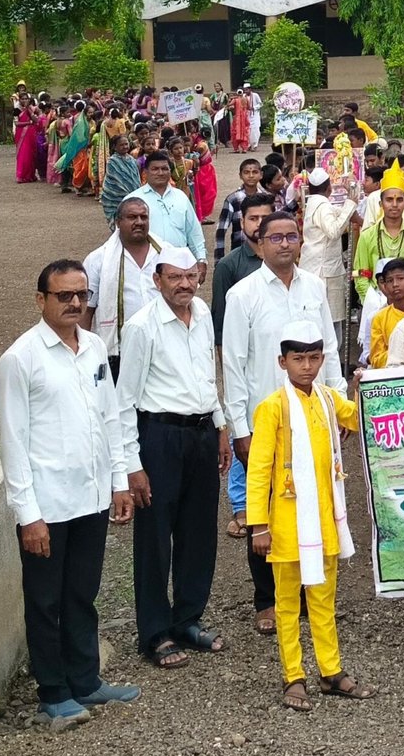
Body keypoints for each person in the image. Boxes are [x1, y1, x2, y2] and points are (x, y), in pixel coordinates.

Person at [0, 259, 139, 727]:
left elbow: (110, 418)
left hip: (92, 497)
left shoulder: (95, 347)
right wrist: (28, 514)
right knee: (45, 600)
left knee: (82, 592)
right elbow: (12, 443)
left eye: (81, 294)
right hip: (48, 504)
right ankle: (52, 691)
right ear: (41, 301)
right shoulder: (20, 359)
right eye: (64, 296)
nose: (75, 303)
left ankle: (85, 679)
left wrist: (119, 482)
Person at [222, 211, 343, 634]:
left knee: (315, 502)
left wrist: (338, 401)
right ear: (259, 243)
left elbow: (328, 347)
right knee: (268, 509)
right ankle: (267, 600)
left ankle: (314, 592)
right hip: (267, 420)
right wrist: (240, 427)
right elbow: (234, 365)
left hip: (314, 415)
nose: (286, 244)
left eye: (292, 236)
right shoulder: (243, 294)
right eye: (276, 238)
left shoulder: (313, 287)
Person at [246, 320, 375, 711]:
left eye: (314, 357)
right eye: (298, 358)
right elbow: (259, 470)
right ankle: (293, 675)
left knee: (323, 600)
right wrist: (259, 525)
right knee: (287, 603)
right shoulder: (272, 407)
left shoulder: (327, 399)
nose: (307, 366)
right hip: (285, 523)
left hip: (325, 519)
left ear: (322, 358)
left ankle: (331, 670)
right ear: (282, 361)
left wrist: (367, 385)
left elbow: (360, 417)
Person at [118, 246, 229, 669]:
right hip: (159, 435)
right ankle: (154, 631)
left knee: (199, 532)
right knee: (155, 537)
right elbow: (124, 400)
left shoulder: (201, 314)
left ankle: (187, 618)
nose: (184, 284)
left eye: (190, 276)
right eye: (174, 277)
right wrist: (133, 463)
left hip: (201, 433)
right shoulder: (142, 327)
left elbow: (207, 374)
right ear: (157, 280)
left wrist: (220, 426)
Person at [211, 191, 274, 540]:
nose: (260, 225)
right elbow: (221, 324)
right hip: (242, 369)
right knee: (242, 434)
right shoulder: (230, 267)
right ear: (243, 223)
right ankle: (241, 505)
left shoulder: (288, 262)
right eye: (253, 219)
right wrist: (224, 367)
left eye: (266, 218)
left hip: (277, 371)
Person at [83, 197, 164, 378]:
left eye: (144, 217)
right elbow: (87, 310)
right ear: (118, 222)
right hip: (119, 351)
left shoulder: (165, 254)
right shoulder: (99, 259)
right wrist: (83, 352)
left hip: (163, 345)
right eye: (132, 217)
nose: (139, 222)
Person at [298, 166, 363, 345]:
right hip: (323, 272)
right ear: (328, 188)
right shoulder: (322, 205)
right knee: (329, 326)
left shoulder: (314, 203)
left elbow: (340, 214)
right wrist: (350, 203)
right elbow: (334, 231)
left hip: (318, 268)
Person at [353, 167, 404, 296]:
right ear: (381, 204)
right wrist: (374, 302)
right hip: (376, 300)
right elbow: (361, 275)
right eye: (389, 200)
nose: (394, 205)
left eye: (399, 200)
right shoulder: (367, 236)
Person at [126, 151, 205, 263]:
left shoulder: (180, 197)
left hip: (178, 263)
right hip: (145, 264)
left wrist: (201, 259)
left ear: (170, 171)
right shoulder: (133, 200)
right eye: (155, 169)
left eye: (164, 169)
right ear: (145, 172)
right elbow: (124, 236)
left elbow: (193, 231)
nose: (160, 173)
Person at [366, 259, 404, 370]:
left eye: (400, 279)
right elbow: (376, 359)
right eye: (389, 281)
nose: (395, 284)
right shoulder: (380, 318)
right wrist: (403, 351)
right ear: (384, 285)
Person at [215, 160, 264, 258]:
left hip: (263, 253)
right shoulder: (233, 199)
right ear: (240, 175)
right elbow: (221, 230)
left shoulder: (265, 198)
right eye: (246, 172)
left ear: (261, 175)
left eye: (255, 172)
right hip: (239, 252)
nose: (251, 176)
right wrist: (219, 259)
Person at [100, 134, 143, 225]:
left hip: (133, 194)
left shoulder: (131, 159)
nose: (125, 147)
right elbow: (117, 180)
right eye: (121, 145)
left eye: (126, 144)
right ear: (115, 147)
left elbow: (136, 176)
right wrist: (127, 194)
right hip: (116, 196)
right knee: (120, 220)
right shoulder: (112, 161)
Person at [190, 132, 219, 223]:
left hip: (207, 169)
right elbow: (197, 157)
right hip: (203, 171)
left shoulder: (199, 142)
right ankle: (201, 215)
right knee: (206, 194)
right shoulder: (201, 145)